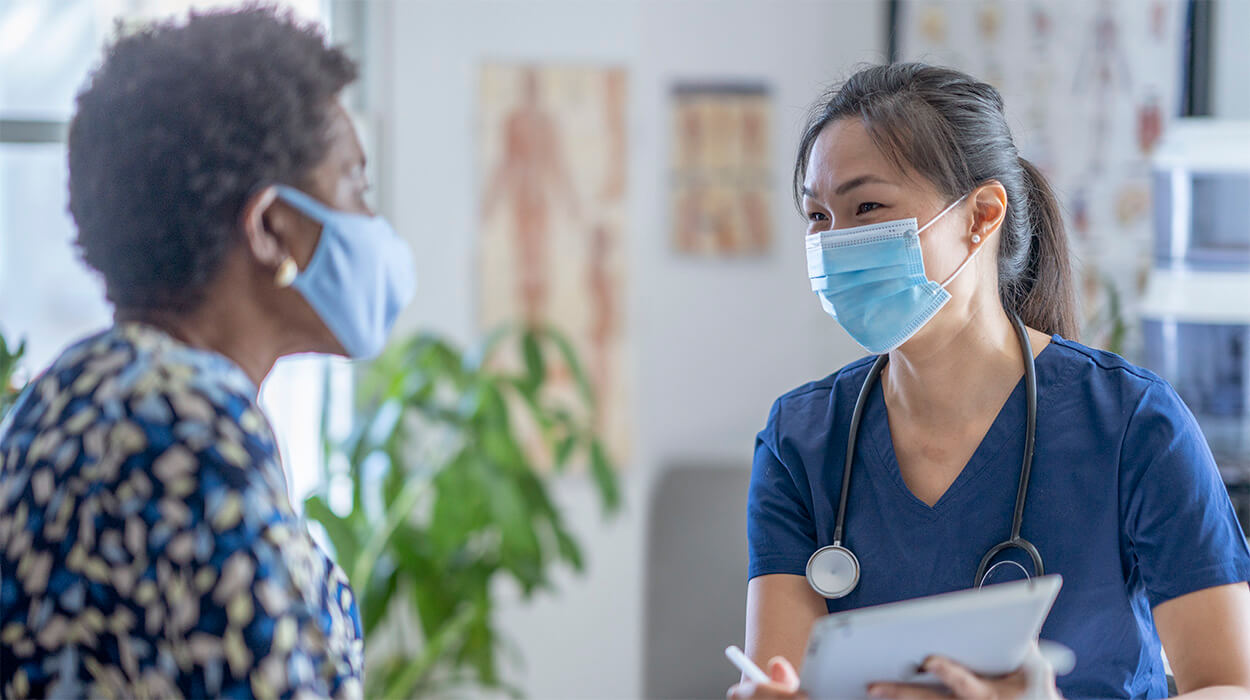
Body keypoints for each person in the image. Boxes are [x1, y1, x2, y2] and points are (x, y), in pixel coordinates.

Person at [730, 63, 1250, 700]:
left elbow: (1229, 683)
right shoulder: (801, 441)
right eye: (817, 217)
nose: (837, 243)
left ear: (980, 214)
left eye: (867, 206)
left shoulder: (1132, 424)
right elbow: (786, 676)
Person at [0, 7, 414, 698]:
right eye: (354, 186)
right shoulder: (193, 430)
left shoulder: (58, 399)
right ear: (270, 229)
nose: (370, 225)